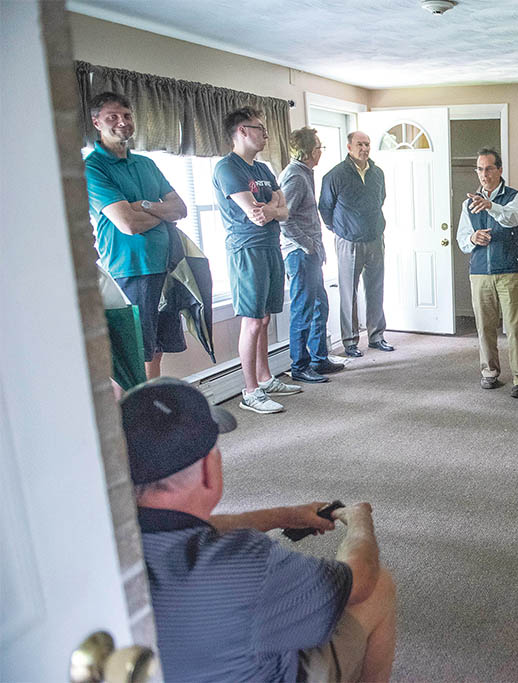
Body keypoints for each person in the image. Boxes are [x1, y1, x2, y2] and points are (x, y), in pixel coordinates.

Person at [123, 378, 396, 681]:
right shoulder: (245, 563)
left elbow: (203, 528)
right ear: (207, 473)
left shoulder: (107, 539)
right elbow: (359, 579)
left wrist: (284, 516)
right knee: (379, 587)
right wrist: (359, 521)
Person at [84, 92, 189, 381]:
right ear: (97, 122)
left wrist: (143, 205)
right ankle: (135, 418)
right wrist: (160, 212)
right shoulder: (93, 167)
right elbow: (127, 224)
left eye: (127, 116)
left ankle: (152, 408)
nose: (122, 122)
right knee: (135, 352)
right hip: (130, 269)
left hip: (166, 266)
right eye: (112, 117)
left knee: (156, 347)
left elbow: (180, 208)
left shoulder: (146, 164)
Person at [213, 107, 301, 414]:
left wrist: (273, 207)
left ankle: (265, 379)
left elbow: (283, 210)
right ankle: (250, 391)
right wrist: (273, 207)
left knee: (265, 319)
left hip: (270, 247)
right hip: (246, 250)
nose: (265, 134)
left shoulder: (263, 169)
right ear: (241, 132)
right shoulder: (228, 168)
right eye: (259, 129)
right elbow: (256, 215)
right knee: (252, 322)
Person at [456, 148, 518, 398]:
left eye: (489, 168)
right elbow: (461, 239)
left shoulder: (516, 197)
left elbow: (513, 218)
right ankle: (489, 372)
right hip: (480, 272)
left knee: (515, 328)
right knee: (484, 327)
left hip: (510, 271)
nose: (484, 174)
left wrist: (490, 206)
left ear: (500, 170)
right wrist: (473, 237)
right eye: (480, 169)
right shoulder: (468, 204)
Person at [278, 127, 345, 383]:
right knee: (303, 310)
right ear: (307, 151)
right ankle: (300, 366)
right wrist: (308, 245)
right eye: (319, 147)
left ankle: (319, 359)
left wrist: (318, 248)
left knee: (320, 306)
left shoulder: (306, 173)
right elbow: (286, 219)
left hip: (311, 253)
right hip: (299, 254)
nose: (321, 152)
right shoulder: (295, 176)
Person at [319, 131, 394, 358]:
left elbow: (381, 199)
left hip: (374, 238)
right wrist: (341, 229)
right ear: (349, 147)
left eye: (368, 144)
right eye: (360, 144)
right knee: (348, 292)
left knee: (375, 288)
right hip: (348, 241)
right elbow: (325, 208)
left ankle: (376, 336)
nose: (365, 148)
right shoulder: (335, 175)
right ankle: (350, 341)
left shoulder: (377, 173)